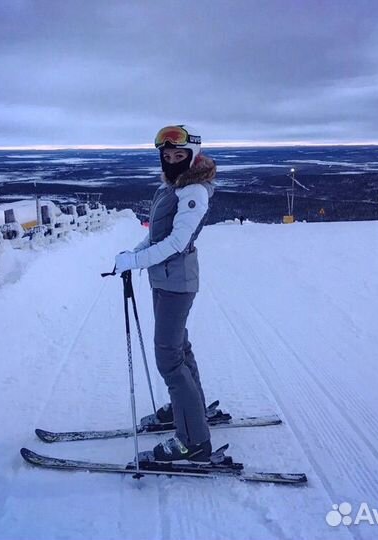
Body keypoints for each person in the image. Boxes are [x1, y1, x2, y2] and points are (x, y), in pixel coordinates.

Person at [114, 125, 216, 463]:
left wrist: (138, 260)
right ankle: (188, 411)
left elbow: (177, 242)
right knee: (179, 349)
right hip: (165, 280)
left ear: (192, 157)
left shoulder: (193, 193)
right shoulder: (172, 187)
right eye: (167, 155)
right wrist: (133, 256)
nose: (171, 160)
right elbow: (157, 237)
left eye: (178, 155)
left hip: (177, 283)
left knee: (169, 358)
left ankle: (194, 441)